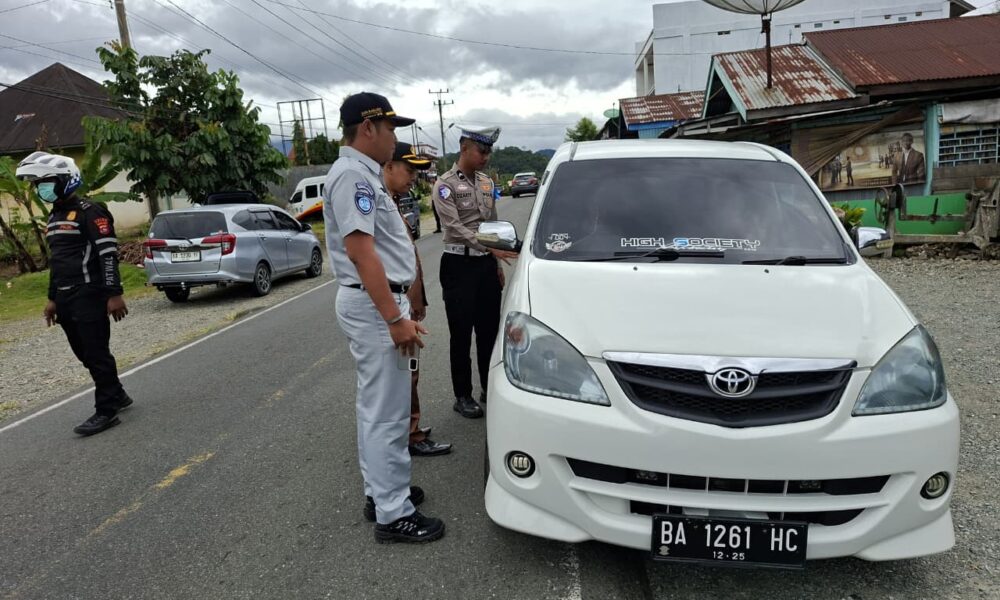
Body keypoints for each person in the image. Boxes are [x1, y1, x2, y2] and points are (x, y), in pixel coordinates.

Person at [323, 92, 444, 543]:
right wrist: (394, 318)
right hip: (377, 308)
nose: (396, 138)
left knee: (377, 409)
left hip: (376, 304)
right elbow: (361, 252)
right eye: (392, 128)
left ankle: (383, 491)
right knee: (387, 414)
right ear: (368, 127)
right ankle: (394, 514)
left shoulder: (363, 174)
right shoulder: (354, 176)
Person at [15, 152, 132, 436]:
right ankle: (116, 393)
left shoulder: (90, 211)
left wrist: (114, 294)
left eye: (47, 182)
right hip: (66, 297)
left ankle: (106, 410)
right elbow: (57, 263)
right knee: (84, 354)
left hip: (89, 293)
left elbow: (107, 255)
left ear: (67, 180)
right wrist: (52, 298)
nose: (41, 188)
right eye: (38, 184)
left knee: (96, 353)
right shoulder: (55, 216)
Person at [433, 127, 519, 419]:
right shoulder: (444, 185)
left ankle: (488, 387)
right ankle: (463, 395)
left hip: (484, 265)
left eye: (489, 152)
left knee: (488, 332)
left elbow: (491, 226)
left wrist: (494, 263)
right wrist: (489, 249)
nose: (486, 157)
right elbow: (454, 227)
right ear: (464, 148)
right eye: (481, 151)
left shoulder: (485, 182)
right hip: (458, 266)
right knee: (461, 334)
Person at [383, 142, 452, 457]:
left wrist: (418, 299)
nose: (414, 177)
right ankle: (408, 435)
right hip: (394, 308)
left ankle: (410, 428)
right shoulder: (380, 206)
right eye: (409, 170)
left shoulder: (393, 203)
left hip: (406, 303)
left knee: (409, 370)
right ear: (389, 167)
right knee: (405, 372)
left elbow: (409, 259)